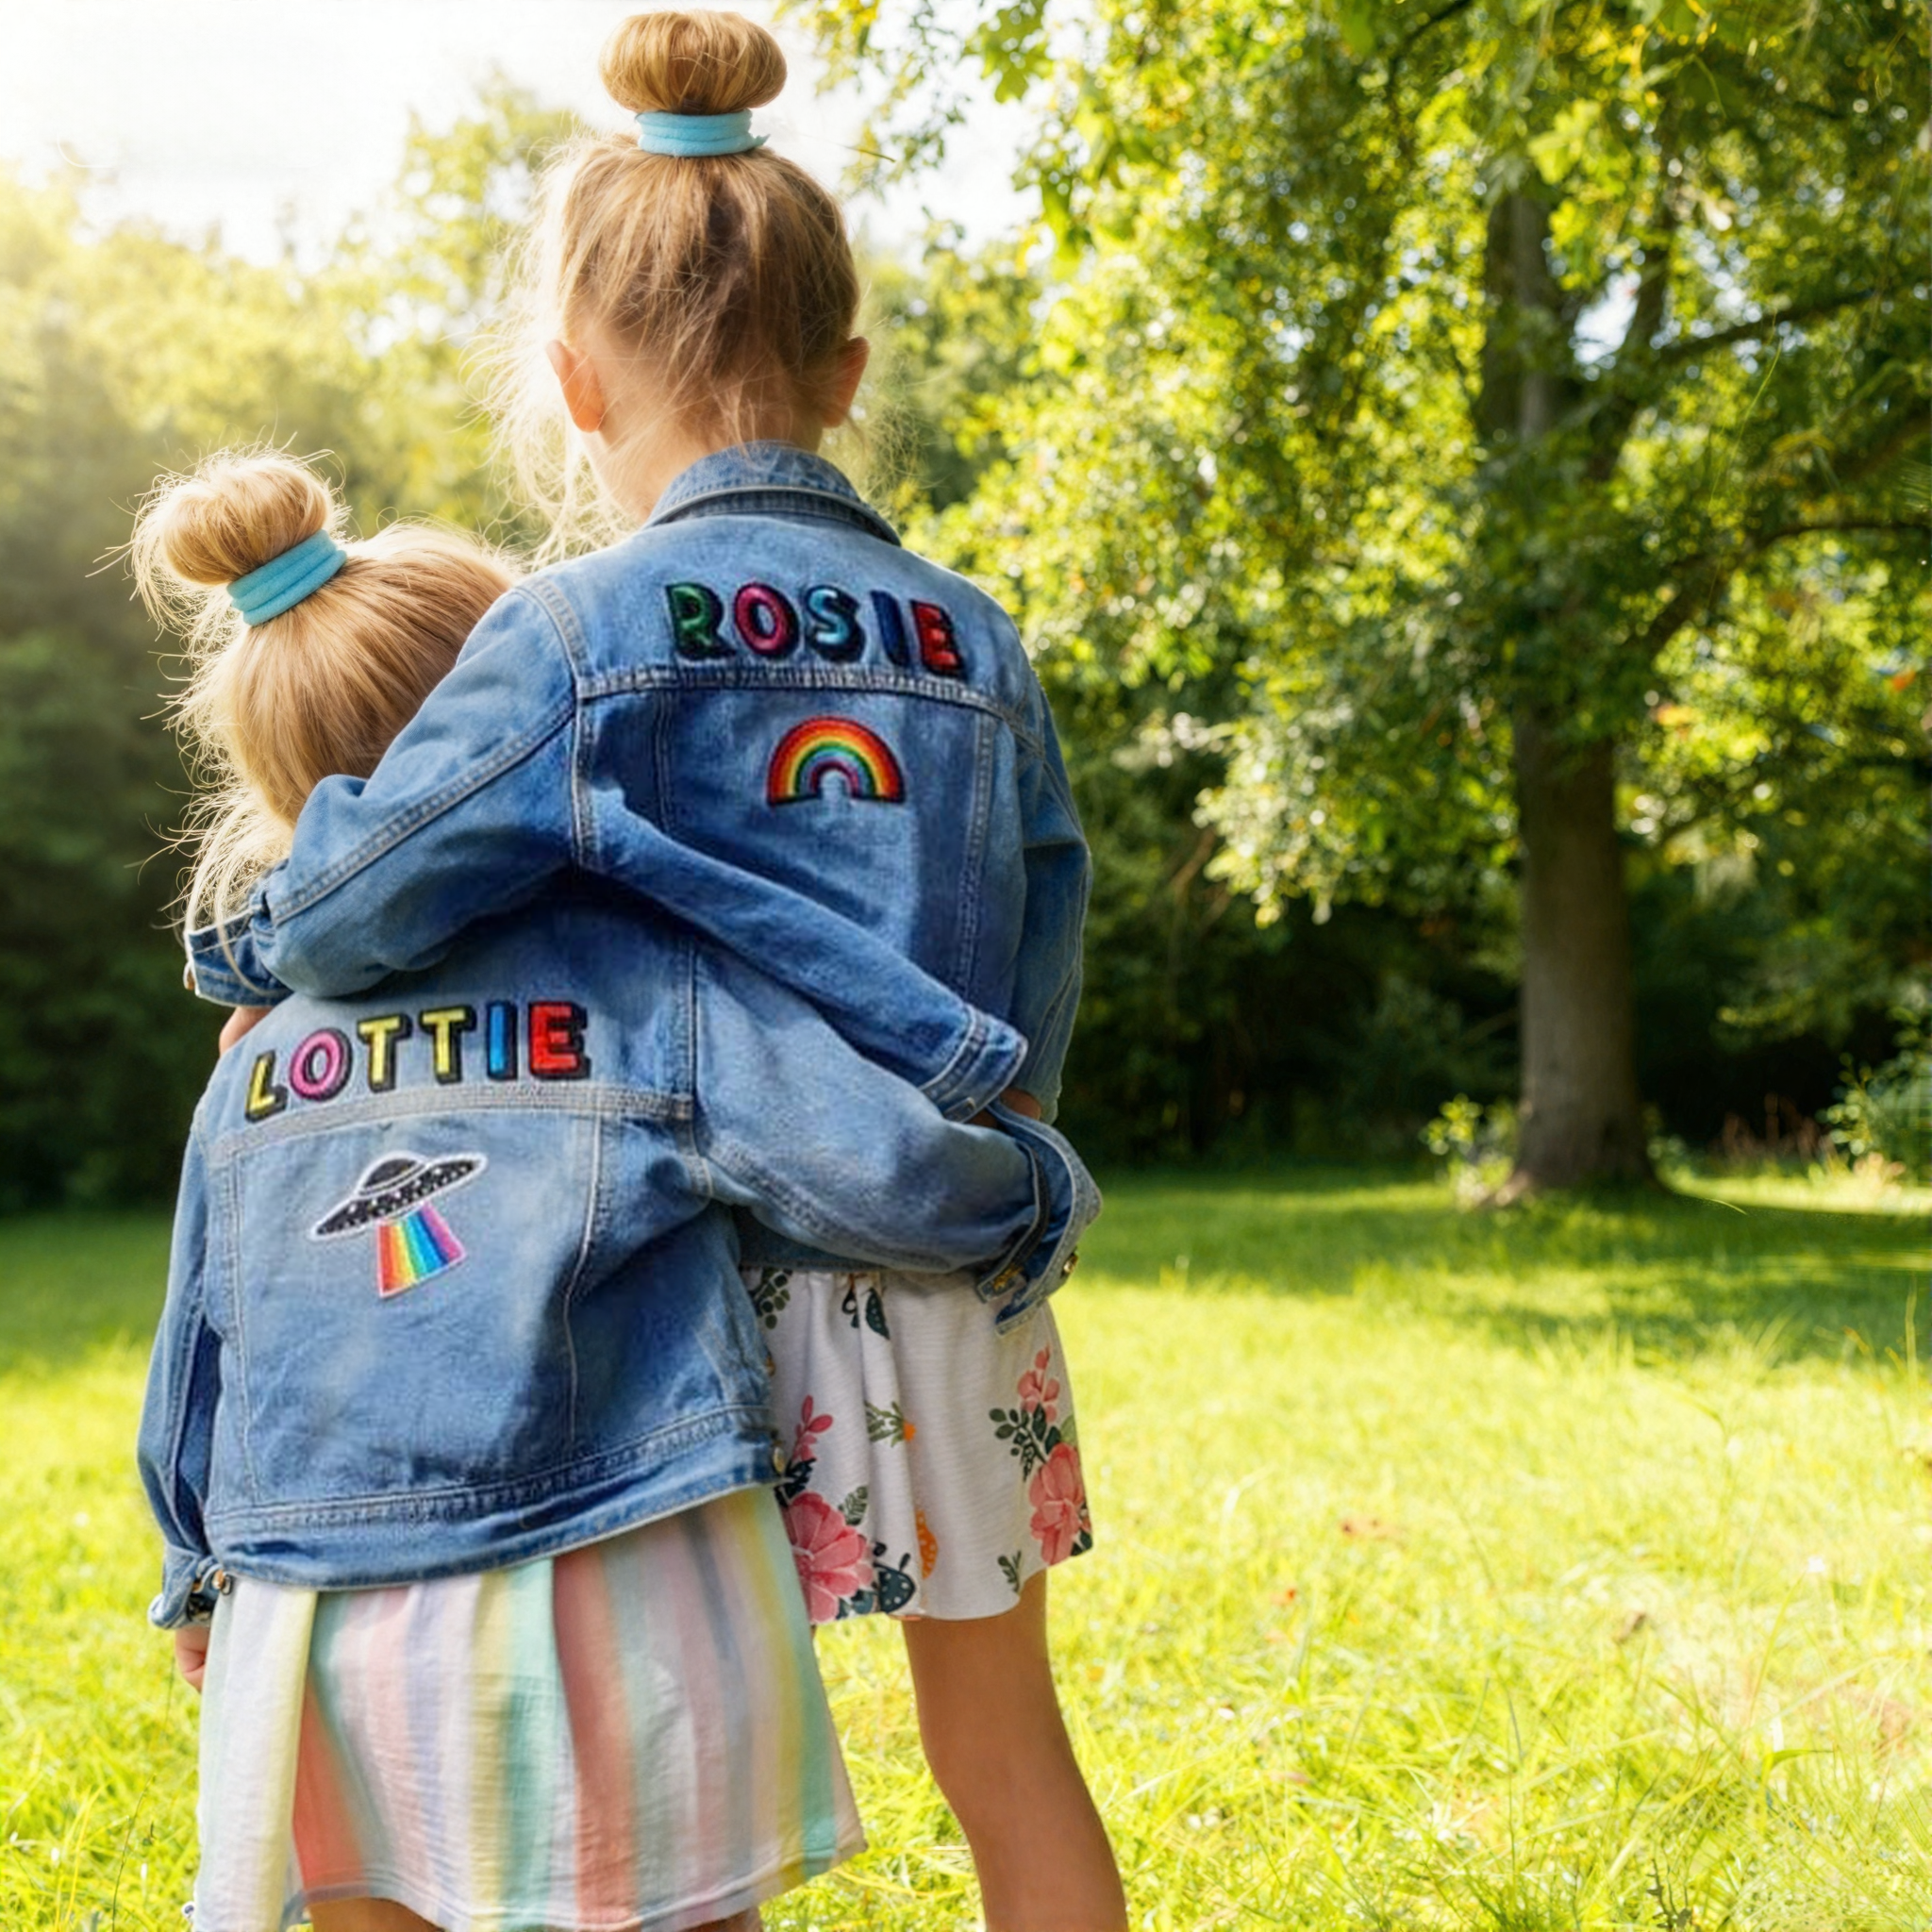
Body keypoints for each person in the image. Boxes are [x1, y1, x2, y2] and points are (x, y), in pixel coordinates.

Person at [186, 14, 1126, 1929]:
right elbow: (1038, 959)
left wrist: (251, 939)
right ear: (850, 370)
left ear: (572, 380)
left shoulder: (565, 636)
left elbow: (376, 907)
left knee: (674, 1789)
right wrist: (989, 1160)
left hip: (676, 1293)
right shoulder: (977, 638)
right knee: (1006, 1753)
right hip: (935, 1251)